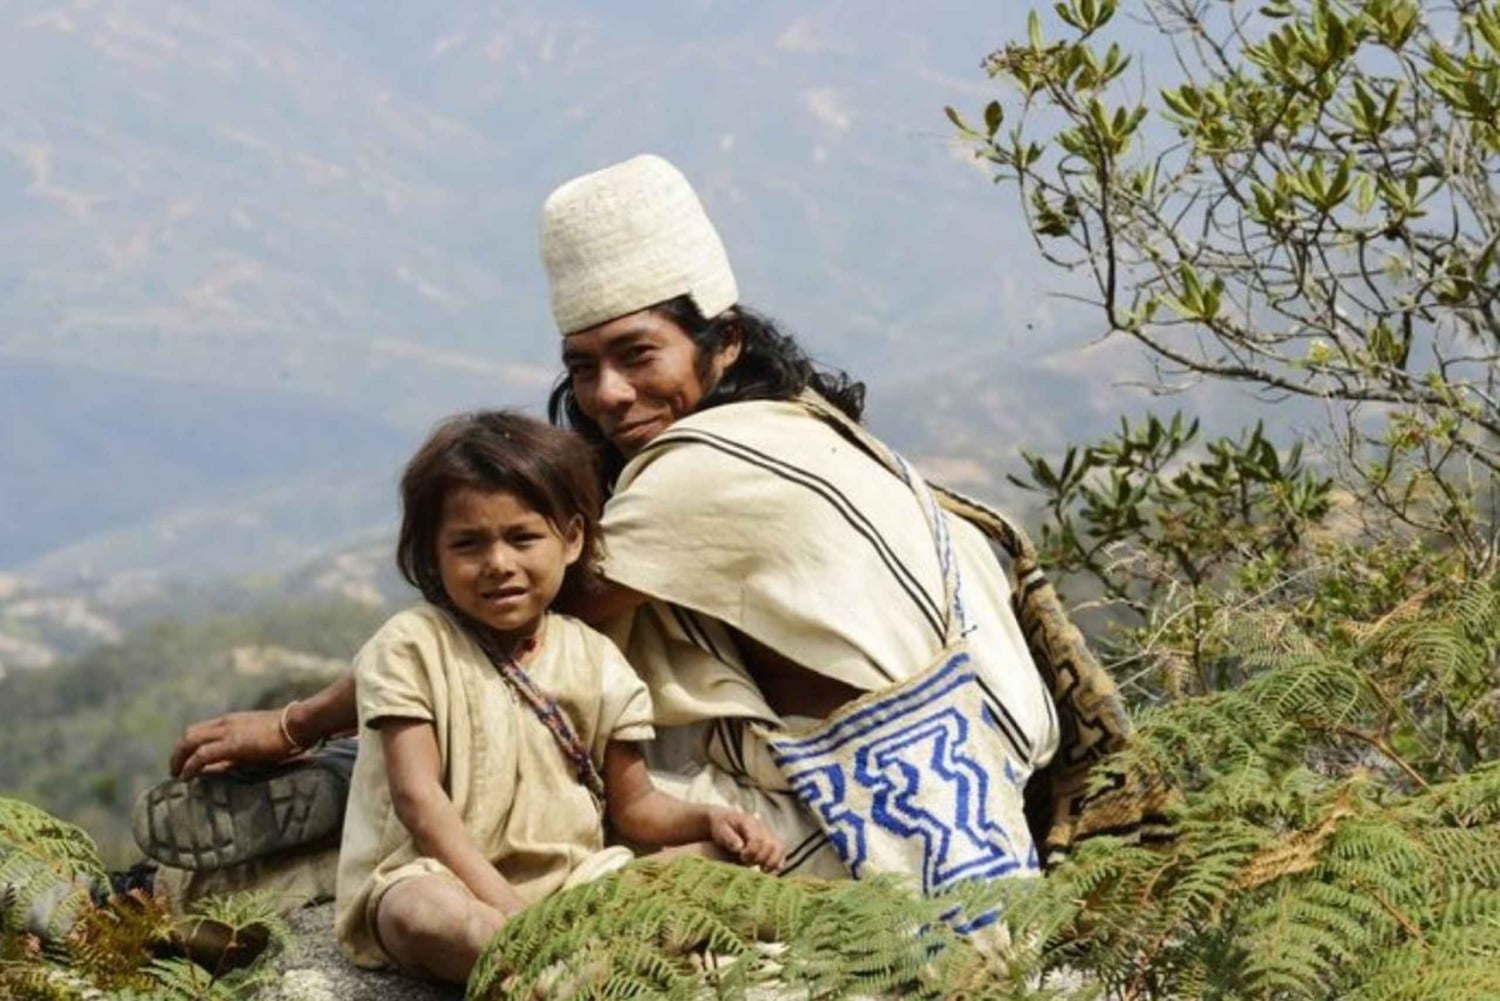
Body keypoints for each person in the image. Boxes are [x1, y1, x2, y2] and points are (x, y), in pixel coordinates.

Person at [143, 154, 1157, 899]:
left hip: (876, 817)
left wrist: (295, 722)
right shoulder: (804, 424)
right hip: (958, 778)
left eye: (637, 354)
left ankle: (343, 790)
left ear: (722, 340)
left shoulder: (702, 469)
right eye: (583, 366)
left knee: (497, 765)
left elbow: (509, 625)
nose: (610, 394)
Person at [334, 409, 781, 984]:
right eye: (468, 545)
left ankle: (553, 972)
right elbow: (420, 800)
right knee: (424, 915)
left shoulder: (595, 658)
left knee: (728, 866)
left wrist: (712, 818)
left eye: (522, 538)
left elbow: (636, 809)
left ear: (570, 540)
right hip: (441, 876)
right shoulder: (412, 644)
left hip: (577, 884)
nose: (499, 565)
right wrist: (507, 910)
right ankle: (567, 973)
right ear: (432, 552)